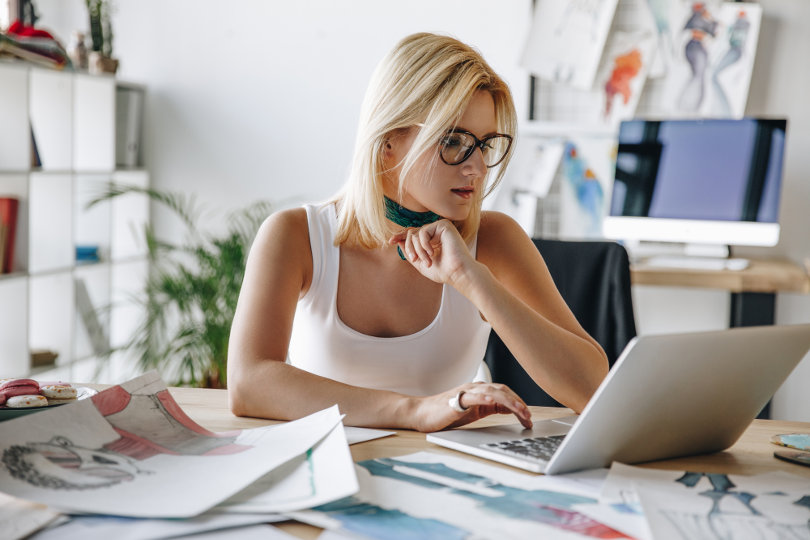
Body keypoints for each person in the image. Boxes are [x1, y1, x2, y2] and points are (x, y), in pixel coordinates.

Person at [227, 32, 608, 433]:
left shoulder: (496, 240)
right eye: (455, 141)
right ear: (389, 139)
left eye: (485, 144)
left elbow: (592, 388)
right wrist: (415, 411)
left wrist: (473, 280)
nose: (477, 168)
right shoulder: (294, 236)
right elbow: (248, 383)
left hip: (448, 475)